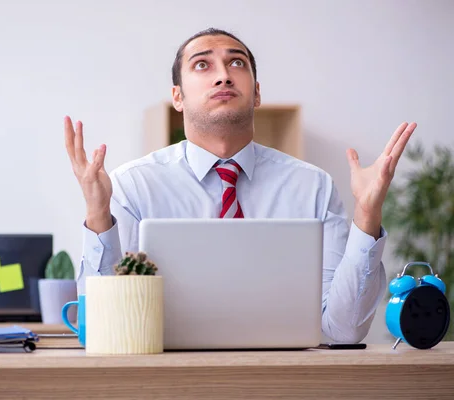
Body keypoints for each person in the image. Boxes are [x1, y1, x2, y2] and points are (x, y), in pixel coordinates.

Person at [63, 28, 416, 343]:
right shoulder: (134, 185)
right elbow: (100, 327)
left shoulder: (313, 186)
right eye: (203, 65)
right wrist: (97, 213)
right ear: (178, 97)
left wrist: (367, 215)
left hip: (286, 378)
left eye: (237, 64)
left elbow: (342, 330)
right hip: (168, 377)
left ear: (256, 93)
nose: (223, 76)